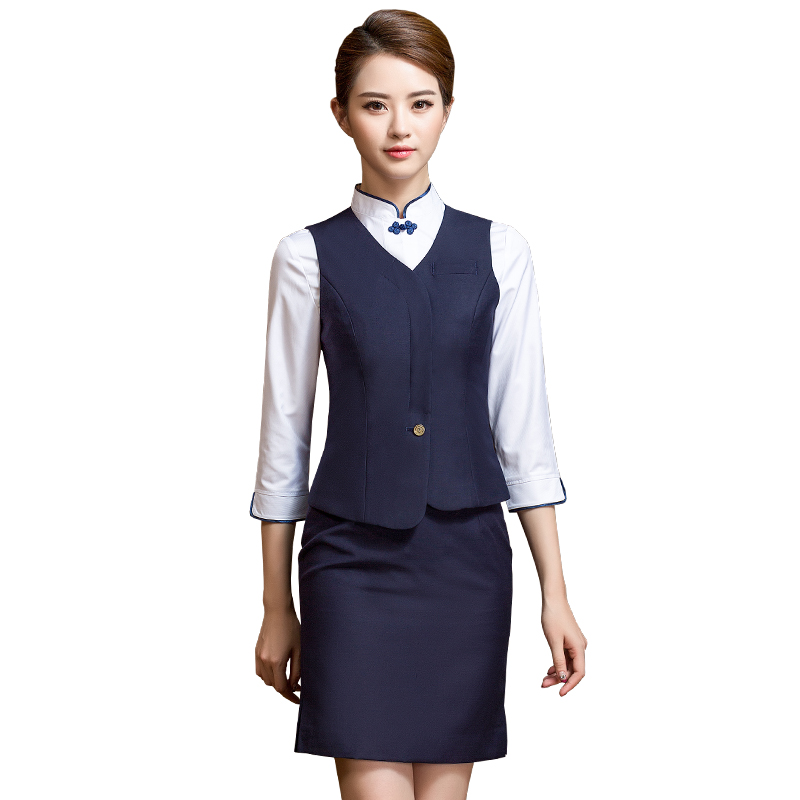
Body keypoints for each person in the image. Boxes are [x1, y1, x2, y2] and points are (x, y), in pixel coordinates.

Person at [250, 9, 587, 800]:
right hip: (350, 565)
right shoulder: (305, 256)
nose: (400, 126)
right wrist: (275, 604)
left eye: (421, 103)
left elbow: (524, 434)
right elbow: (283, 439)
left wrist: (557, 595)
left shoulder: (500, 249)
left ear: (447, 110)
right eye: (375, 104)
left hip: (467, 563)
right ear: (341, 114)